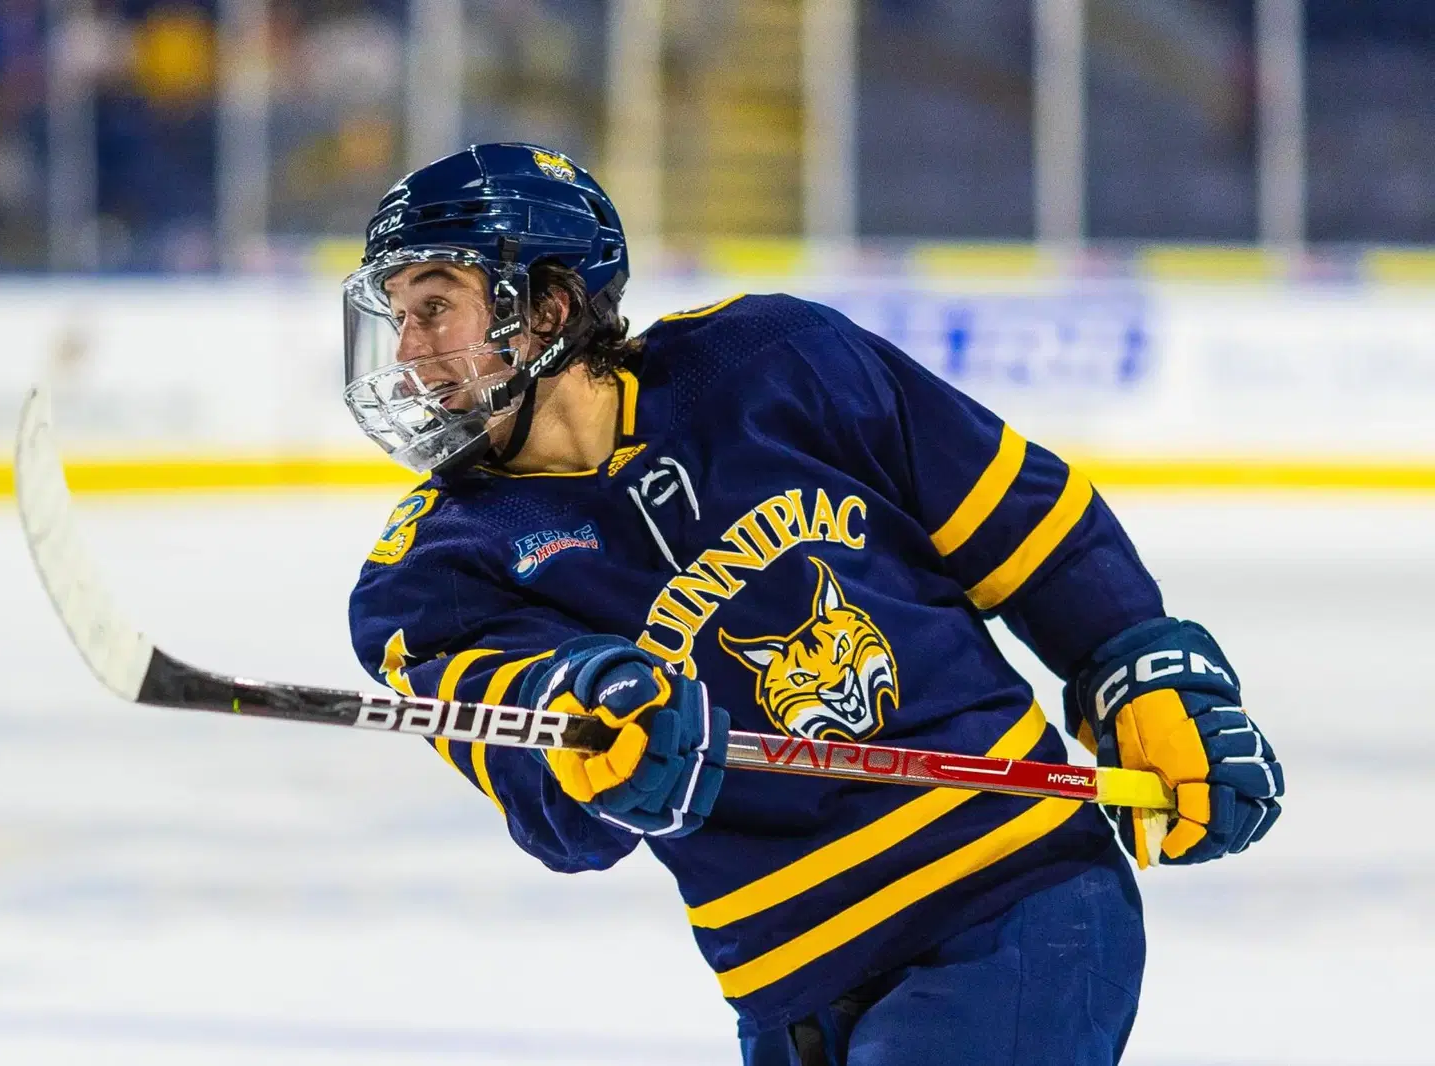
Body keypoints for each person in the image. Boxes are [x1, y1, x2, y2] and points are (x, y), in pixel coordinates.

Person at [343, 143, 1283, 1066]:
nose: (409, 352)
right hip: (789, 991)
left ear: (547, 304)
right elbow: (555, 807)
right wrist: (587, 718)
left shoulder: (774, 361)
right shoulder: (432, 571)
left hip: (1011, 897)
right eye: (398, 318)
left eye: (435, 307)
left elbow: (1028, 529)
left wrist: (1138, 667)